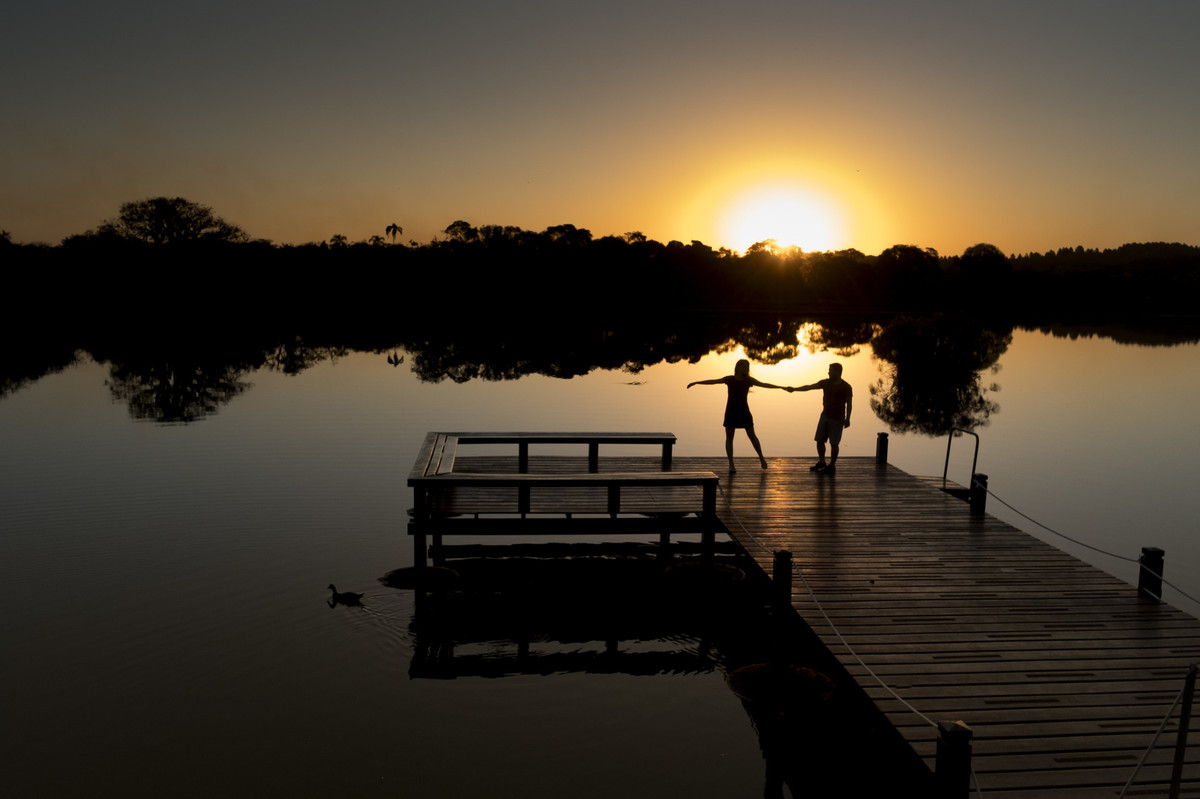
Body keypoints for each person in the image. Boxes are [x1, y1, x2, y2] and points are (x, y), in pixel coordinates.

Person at [687, 359, 788, 472]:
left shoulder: (748, 380)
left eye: (747, 366)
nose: (747, 368)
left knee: (752, 436)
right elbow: (713, 381)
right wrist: (696, 382)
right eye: (745, 366)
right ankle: (731, 464)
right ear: (738, 367)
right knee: (729, 438)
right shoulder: (729, 379)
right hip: (731, 412)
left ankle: (761, 458)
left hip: (744, 412)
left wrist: (781, 387)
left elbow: (764, 384)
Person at [788, 363, 853, 475]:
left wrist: (848, 419)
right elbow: (809, 387)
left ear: (838, 372)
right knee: (819, 440)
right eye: (829, 370)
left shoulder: (846, 387)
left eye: (831, 371)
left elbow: (849, 404)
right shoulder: (825, 383)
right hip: (825, 416)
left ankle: (832, 465)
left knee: (834, 443)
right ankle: (822, 462)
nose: (828, 372)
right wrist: (794, 389)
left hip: (837, 419)